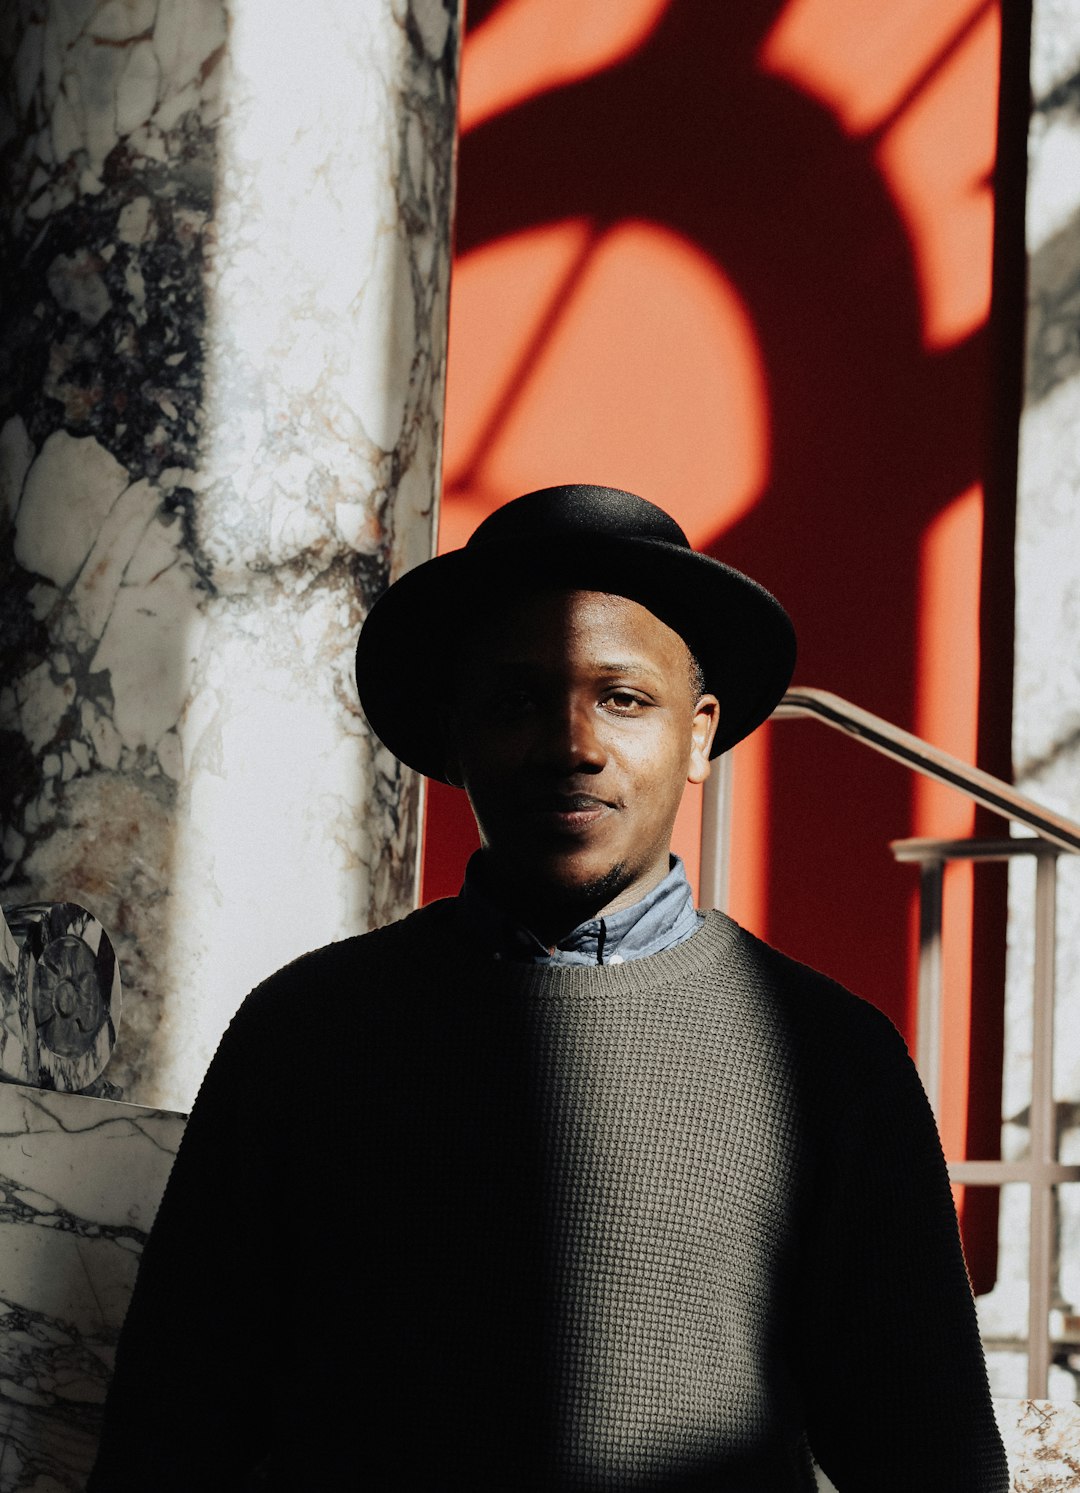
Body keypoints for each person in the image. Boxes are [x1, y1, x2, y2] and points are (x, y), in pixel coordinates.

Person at [88, 484, 1008, 1491]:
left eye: (623, 696)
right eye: (516, 699)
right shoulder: (307, 1032)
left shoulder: (830, 1058)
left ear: (700, 734)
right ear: (457, 734)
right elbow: (168, 1433)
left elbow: (932, 1456)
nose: (571, 743)